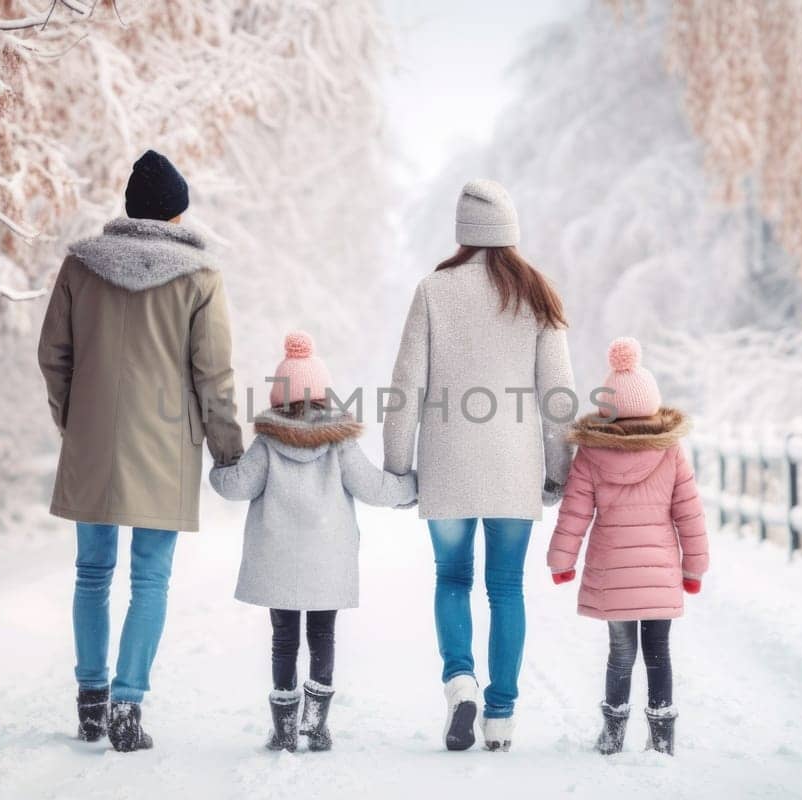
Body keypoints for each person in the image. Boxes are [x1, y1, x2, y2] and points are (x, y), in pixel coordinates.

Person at [37, 149, 243, 752]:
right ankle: (128, 706)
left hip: (93, 441)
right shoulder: (200, 277)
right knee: (150, 580)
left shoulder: (81, 267)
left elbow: (53, 356)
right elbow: (215, 376)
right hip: (165, 445)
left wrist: (73, 422)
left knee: (92, 574)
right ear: (177, 214)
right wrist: (228, 452)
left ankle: (90, 701)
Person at [383, 179, 575, 752]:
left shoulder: (434, 290)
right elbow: (558, 395)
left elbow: (405, 386)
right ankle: (500, 715)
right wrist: (558, 470)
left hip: (447, 465)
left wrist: (398, 467)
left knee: (452, 578)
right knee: (507, 587)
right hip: (514, 467)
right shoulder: (538, 294)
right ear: (510, 229)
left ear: (463, 232)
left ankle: (460, 680)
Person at [209, 331, 417, 753]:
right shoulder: (339, 440)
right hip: (328, 556)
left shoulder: (268, 440)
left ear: (280, 396)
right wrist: (411, 486)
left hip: (277, 555)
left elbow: (237, 487)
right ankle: (316, 727)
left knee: (283, 639)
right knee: (323, 636)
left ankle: (284, 729)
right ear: (323, 394)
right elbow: (373, 487)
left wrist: (217, 471)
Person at [546, 337, 709, 756]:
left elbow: (576, 512)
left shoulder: (591, 452)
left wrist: (561, 561)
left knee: (620, 653)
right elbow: (689, 514)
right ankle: (662, 737)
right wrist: (694, 568)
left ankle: (613, 734)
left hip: (612, 570)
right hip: (659, 571)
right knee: (658, 652)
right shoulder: (670, 451)